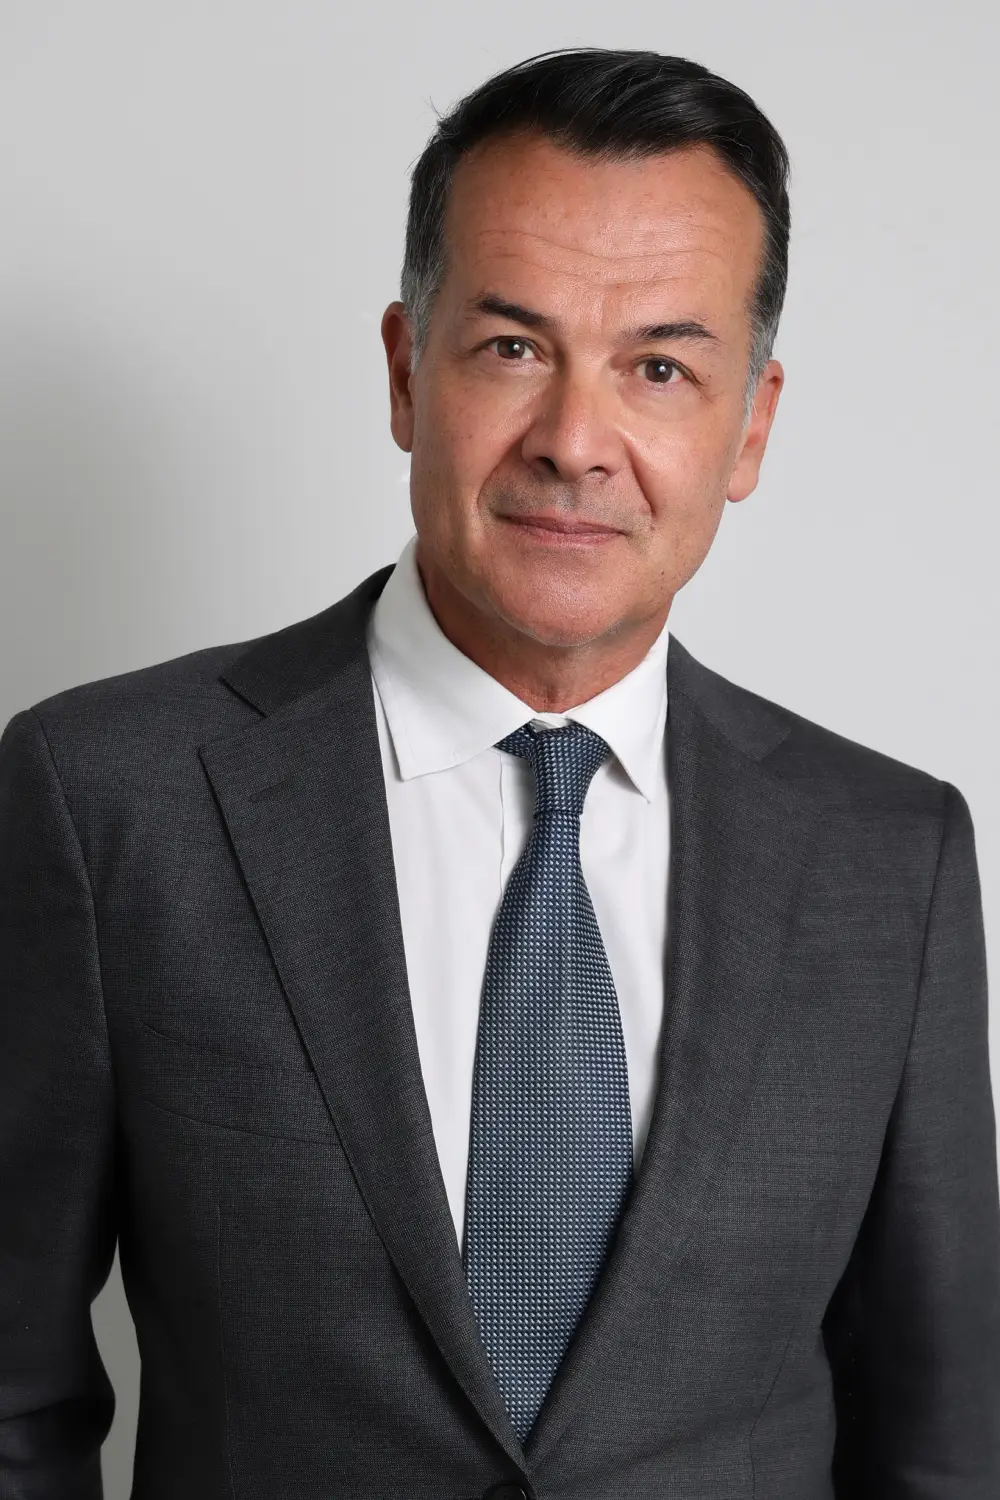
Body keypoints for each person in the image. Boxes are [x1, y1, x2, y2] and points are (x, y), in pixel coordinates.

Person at [1, 46, 997, 1500]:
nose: (576, 444)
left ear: (751, 425)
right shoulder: (106, 800)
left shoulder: (889, 858)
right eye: (514, 349)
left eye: (659, 367)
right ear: (407, 371)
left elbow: (947, 1448)